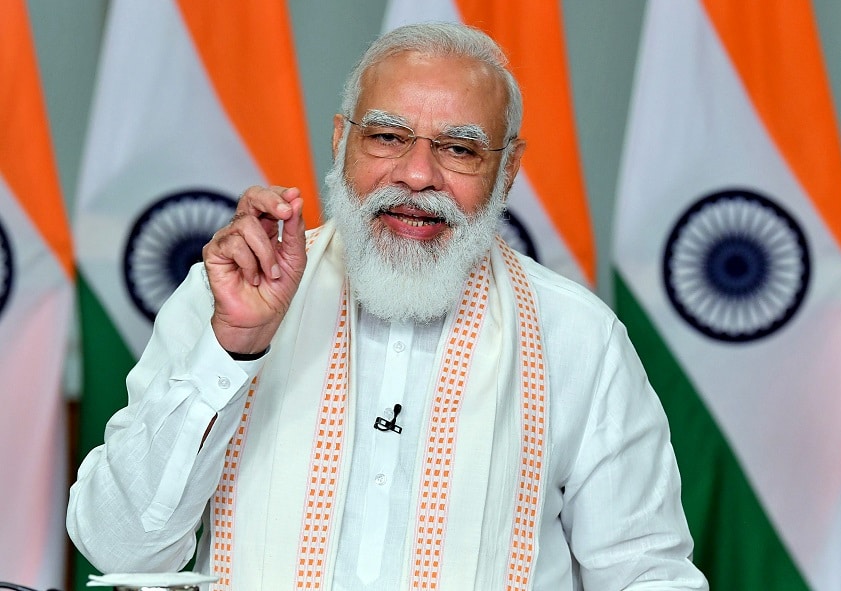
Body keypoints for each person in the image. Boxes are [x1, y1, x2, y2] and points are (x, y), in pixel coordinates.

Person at [67, 22, 708, 591]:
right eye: (388, 137)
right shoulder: (232, 293)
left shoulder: (577, 335)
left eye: (459, 148)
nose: (418, 175)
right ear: (342, 141)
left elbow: (647, 575)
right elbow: (120, 549)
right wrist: (232, 347)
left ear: (507, 171)